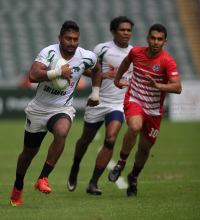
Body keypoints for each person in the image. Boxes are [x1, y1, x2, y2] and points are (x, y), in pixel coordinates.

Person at [10, 20, 102, 206]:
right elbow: (33, 75)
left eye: (75, 39)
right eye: (68, 38)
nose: (72, 43)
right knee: (28, 154)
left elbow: (97, 69)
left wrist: (95, 94)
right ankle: (18, 185)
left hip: (62, 108)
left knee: (62, 132)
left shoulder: (86, 56)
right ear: (60, 37)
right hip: (38, 108)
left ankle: (43, 178)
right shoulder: (49, 52)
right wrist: (57, 72)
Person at [108, 24, 182, 197]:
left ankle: (133, 178)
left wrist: (158, 86)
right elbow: (126, 62)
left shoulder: (167, 61)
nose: (156, 42)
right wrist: (117, 80)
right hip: (135, 99)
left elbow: (177, 87)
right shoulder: (136, 53)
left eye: (160, 39)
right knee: (134, 127)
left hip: (154, 110)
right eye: (153, 38)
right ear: (147, 39)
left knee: (144, 149)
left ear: (165, 42)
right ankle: (120, 163)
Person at [67, 16, 134, 195]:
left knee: (111, 139)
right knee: (86, 139)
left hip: (118, 104)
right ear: (113, 32)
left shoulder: (135, 53)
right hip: (98, 101)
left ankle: (93, 183)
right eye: (122, 30)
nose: (126, 33)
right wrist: (101, 75)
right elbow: (85, 68)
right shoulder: (102, 49)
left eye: (128, 30)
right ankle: (75, 167)